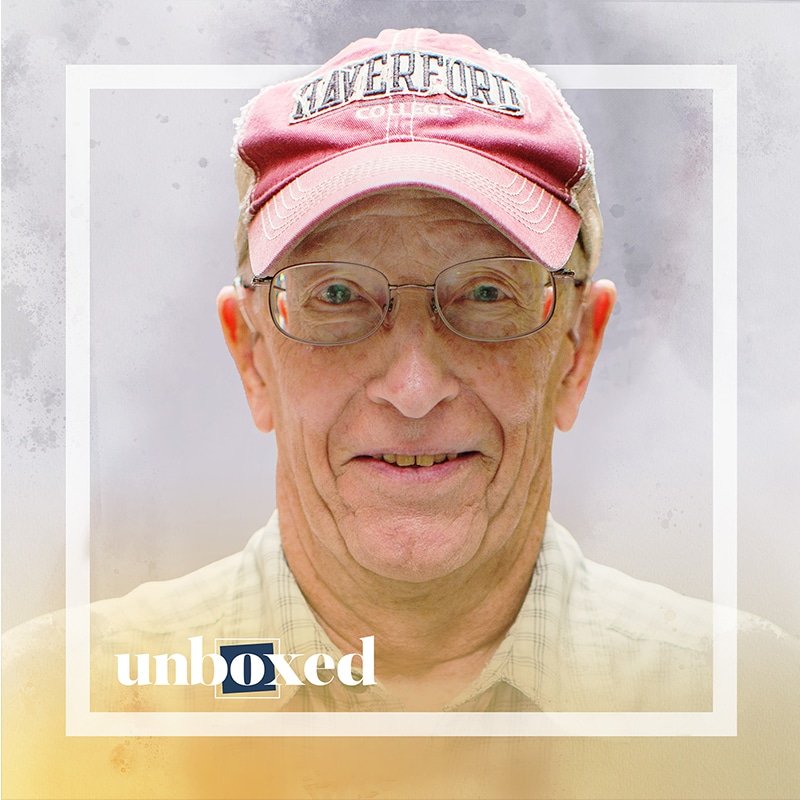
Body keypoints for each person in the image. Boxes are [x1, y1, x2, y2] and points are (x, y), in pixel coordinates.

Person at [4, 27, 798, 800]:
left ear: (577, 351)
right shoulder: (53, 716)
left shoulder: (756, 723)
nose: (414, 389)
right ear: (250, 357)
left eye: (487, 293)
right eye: (338, 296)